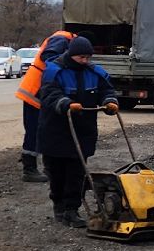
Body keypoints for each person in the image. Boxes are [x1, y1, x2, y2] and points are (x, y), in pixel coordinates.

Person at [36, 36, 120, 226]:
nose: (85, 61)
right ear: (71, 55)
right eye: (81, 57)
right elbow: (49, 94)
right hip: (55, 131)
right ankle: (59, 206)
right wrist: (65, 103)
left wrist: (110, 102)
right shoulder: (54, 71)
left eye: (87, 57)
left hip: (81, 132)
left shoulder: (95, 72)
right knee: (56, 173)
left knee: (77, 173)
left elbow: (107, 90)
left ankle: (71, 210)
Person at [13, 28, 76, 183]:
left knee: (42, 131)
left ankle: (41, 166)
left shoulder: (64, 39)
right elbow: (48, 56)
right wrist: (64, 66)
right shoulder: (62, 39)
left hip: (39, 91)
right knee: (35, 131)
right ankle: (29, 169)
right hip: (35, 91)